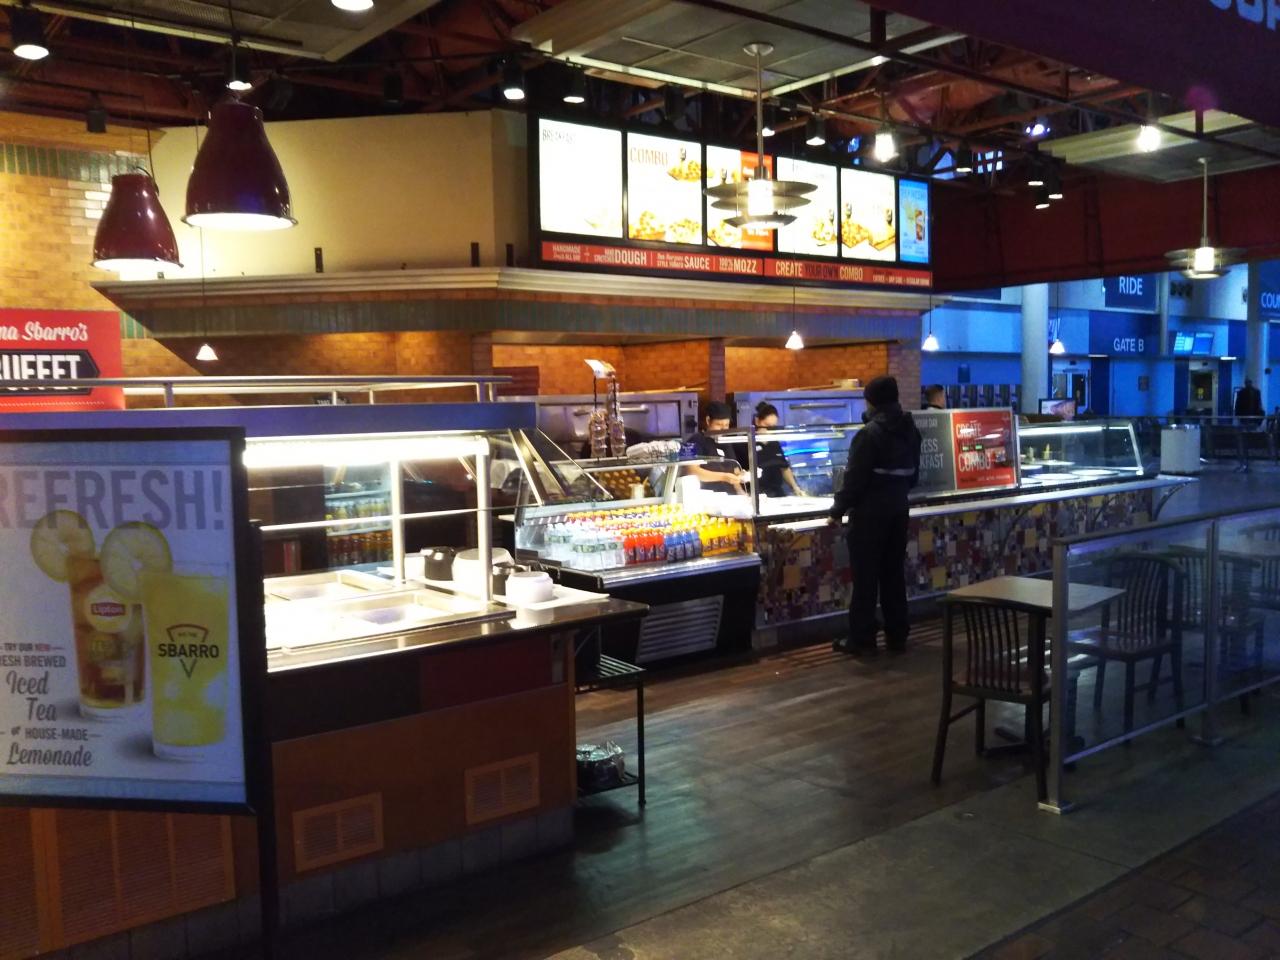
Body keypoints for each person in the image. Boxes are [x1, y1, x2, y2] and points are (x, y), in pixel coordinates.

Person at [830, 375, 922, 657]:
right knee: (893, 574)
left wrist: (837, 510)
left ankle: (862, 639)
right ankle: (897, 635)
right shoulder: (910, 429)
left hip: (870, 515)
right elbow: (913, 477)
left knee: (866, 578)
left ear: (871, 401)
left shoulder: (869, 434)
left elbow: (854, 480)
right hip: (898, 510)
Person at [683, 400, 746, 495]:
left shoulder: (726, 442)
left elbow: (734, 469)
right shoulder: (693, 441)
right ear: (708, 420)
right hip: (707, 496)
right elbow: (691, 471)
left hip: (730, 496)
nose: (723, 429)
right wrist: (723, 477)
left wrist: (741, 491)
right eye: (719, 424)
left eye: (726, 425)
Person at [747, 402, 805, 499]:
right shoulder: (746, 443)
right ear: (757, 421)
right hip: (757, 495)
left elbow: (784, 468)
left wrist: (795, 487)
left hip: (777, 493)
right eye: (767, 426)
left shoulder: (774, 443)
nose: (769, 430)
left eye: (773, 427)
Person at [1234, 378, 1264, 473]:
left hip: (1247, 418)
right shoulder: (1255, 392)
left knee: (1245, 437)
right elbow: (1258, 405)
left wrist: (1239, 416)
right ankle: (1249, 456)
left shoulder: (1243, 393)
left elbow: (1238, 406)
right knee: (1249, 437)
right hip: (1250, 418)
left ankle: (1247, 457)